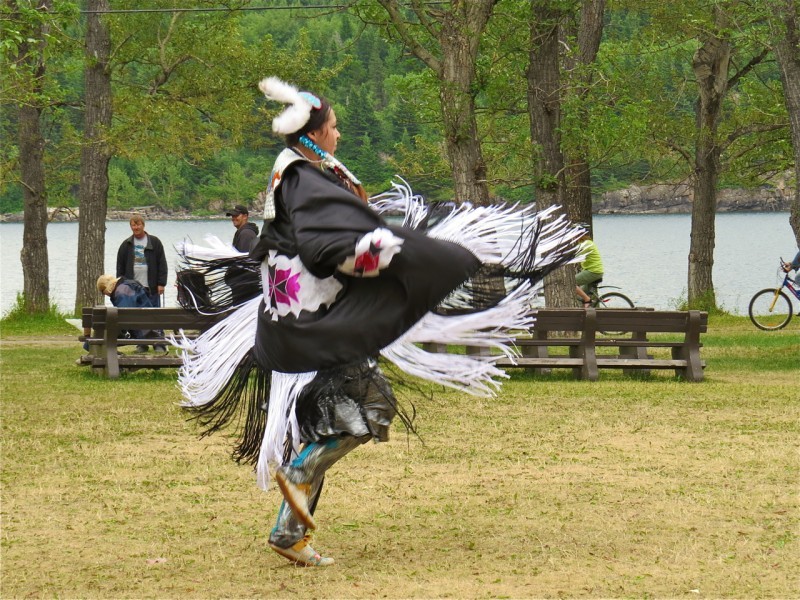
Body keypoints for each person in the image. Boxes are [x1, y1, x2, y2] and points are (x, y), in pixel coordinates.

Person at [172, 77, 583, 568]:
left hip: (300, 322)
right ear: (315, 132)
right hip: (320, 326)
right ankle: (297, 480)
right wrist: (374, 253)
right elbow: (324, 247)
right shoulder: (303, 179)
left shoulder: (299, 173)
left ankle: (289, 530)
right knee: (368, 409)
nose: (339, 135)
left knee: (329, 421)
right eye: (335, 126)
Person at [116, 215, 168, 352]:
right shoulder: (126, 245)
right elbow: (120, 267)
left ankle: (159, 343)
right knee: (137, 316)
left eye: (138, 224)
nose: (136, 227)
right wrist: (122, 286)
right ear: (131, 226)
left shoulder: (155, 242)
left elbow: (162, 263)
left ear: (143, 225)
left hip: (151, 286)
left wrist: (161, 283)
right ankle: (141, 343)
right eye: (133, 225)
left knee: (154, 314)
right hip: (133, 288)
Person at [96, 275, 161, 349]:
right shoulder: (128, 284)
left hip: (141, 326)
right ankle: (151, 345)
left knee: (112, 327)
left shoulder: (120, 292)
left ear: (105, 287)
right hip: (150, 321)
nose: (104, 294)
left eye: (102, 292)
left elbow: (125, 314)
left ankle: (142, 344)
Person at [224, 204, 261, 304]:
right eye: (232, 216)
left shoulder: (246, 234)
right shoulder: (243, 232)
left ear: (245, 216)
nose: (233, 218)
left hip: (245, 284)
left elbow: (244, 260)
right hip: (242, 282)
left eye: (236, 215)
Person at [574, 223, 604, 307]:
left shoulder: (586, 244)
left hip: (593, 272)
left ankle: (587, 300)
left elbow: (573, 255)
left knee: (572, 283)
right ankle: (589, 307)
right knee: (580, 296)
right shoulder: (585, 243)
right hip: (593, 271)